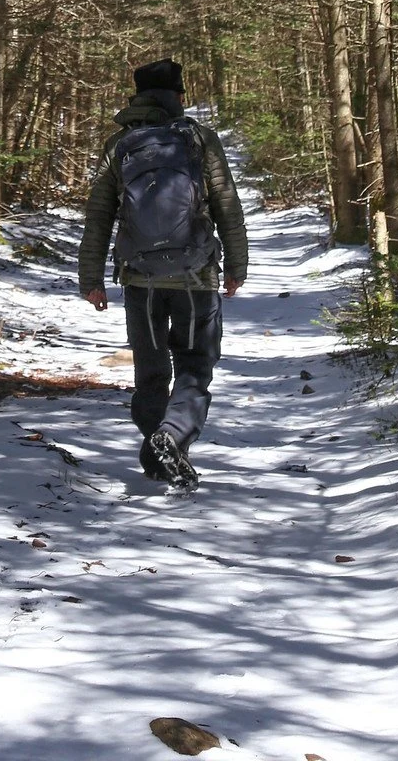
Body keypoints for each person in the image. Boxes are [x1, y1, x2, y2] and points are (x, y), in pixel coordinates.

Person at [78, 56, 248, 492]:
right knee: (194, 367)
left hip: (140, 281)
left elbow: (99, 215)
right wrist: (236, 266)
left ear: (136, 97)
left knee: (151, 374)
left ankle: (159, 457)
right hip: (196, 278)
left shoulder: (120, 144)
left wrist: (91, 278)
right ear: (179, 97)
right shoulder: (199, 139)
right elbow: (226, 203)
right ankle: (171, 439)